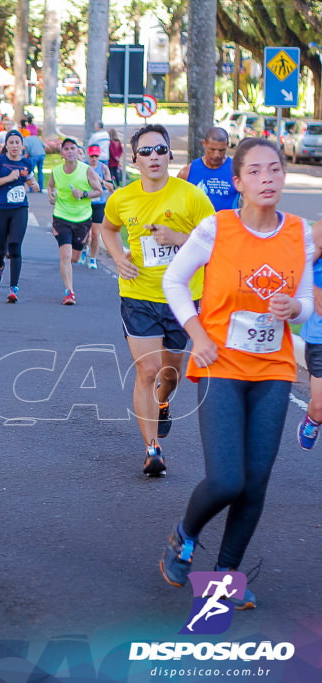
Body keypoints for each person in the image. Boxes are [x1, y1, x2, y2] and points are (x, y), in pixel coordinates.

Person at [159, 138, 313, 609]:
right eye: (255, 172)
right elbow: (174, 281)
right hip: (221, 363)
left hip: (274, 368)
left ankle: (225, 578)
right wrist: (197, 334)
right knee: (227, 480)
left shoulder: (301, 233)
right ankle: (183, 536)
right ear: (238, 182)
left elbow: (307, 307)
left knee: (256, 481)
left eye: (275, 170)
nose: (267, 179)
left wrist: (295, 307)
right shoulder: (216, 228)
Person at [100, 124, 215, 476]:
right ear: (134, 159)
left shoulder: (190, 196)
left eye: (160, 150)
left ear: (170, 155)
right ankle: (153, 449)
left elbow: (216, 243)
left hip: (181, 299)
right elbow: (107, 228)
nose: (154, 157)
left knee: (170, 373)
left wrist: (179, 237)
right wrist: (118, 257)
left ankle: (163, 402)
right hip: (139, 296)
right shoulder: (122, 198)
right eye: (146, 151)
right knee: (147, 370)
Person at [0, 130, 40, 303]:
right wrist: (8, 178)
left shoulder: (26, 163)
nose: (15, 146)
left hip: (19, 208)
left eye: (17, 142)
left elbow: (29, 178)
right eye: (11, 142)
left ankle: (13, 288)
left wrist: (34, 184)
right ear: (6, 145)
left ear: (22, 145)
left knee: (15, 246)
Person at [46, 137, 102, 305]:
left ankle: (73, 261)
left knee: (75, 258)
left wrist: (83, 194)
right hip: (61, 217)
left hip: (82, 219)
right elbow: (50, 185)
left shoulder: (87, 171)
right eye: (66, 149)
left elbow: (98, 191)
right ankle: (69, 292)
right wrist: (51, 195)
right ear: (62, 152)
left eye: (73, 148)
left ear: (78, 152)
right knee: (66, 254)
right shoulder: (56, 171)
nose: (70, 151)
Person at [295, 218, 322, 449]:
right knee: (320, 407)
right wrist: (313, 290)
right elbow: (295, 270)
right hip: (320, 334)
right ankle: (313, 419)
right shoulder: (320, 232)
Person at [177, 127, 239, 212]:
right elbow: (177, 204)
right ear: (204, 144)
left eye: (221, 150)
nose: (216, 155)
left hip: (227, 224)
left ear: (228, 145)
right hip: (197, 224)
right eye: (212, 149)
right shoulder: (187, 172)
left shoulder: (237, 171)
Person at [82, 144, 114, 270]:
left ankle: (92, 258)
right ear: (88, 156)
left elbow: (111, 188)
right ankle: (84, 249)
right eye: (92, 156)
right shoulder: (83, 167)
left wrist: (100, 181)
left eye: (96, 156)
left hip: (99, 204)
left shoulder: (103, 168)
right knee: (86, 234)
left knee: (95, 234)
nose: (94, 158)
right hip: (85, 203)